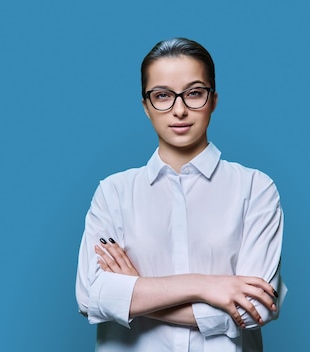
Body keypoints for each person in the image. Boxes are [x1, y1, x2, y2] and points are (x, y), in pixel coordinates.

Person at [75, 37, 287, 352]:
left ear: (214, 100)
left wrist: (135, 294)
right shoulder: (113, 193)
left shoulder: (255, 189)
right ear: (146, 106)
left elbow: (250, 309)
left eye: (194, 93)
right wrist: (208, 286)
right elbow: (91, 297)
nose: (179, 109)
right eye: (162, 95)